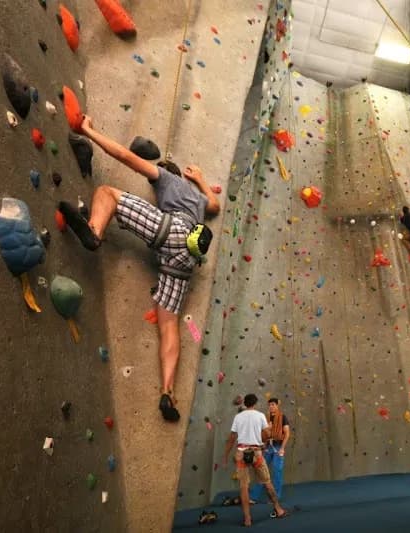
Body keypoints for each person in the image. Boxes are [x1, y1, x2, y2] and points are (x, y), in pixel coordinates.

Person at [58, 115, 221, 422]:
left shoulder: (167, 179)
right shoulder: (199, 199)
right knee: (168, 325)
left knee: (106, 193)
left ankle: (94, 231)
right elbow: (215, 206)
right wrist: (200, 179)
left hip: (169, 230)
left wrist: (88, 129)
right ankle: (168, 392)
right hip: (187, 259)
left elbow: (125, 155)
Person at [223, 394, 288, 527]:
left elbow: (232, 438)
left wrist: (225, 455)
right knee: (267, 483)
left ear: (245, 404)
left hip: (241, 453)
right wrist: (266, 434)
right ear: (255, 403)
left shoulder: (238, 417)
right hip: (257, 453)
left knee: (243, 487)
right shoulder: (260, 416)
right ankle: (278, 509)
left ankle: (247, 519)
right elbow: (267, 435)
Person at [249, 397, 290, 503]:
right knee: (261, 471)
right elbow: (263, 435)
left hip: (277, 447)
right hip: (267, 447)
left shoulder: (283, 417)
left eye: (273, 404)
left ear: (277, 405)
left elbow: (287, 433)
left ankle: (275, 497)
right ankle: (253, 497)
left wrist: (282, 449)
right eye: (270, 405)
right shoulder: (265, 418)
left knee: (277, 471)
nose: (271, 406)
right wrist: (263, 446)